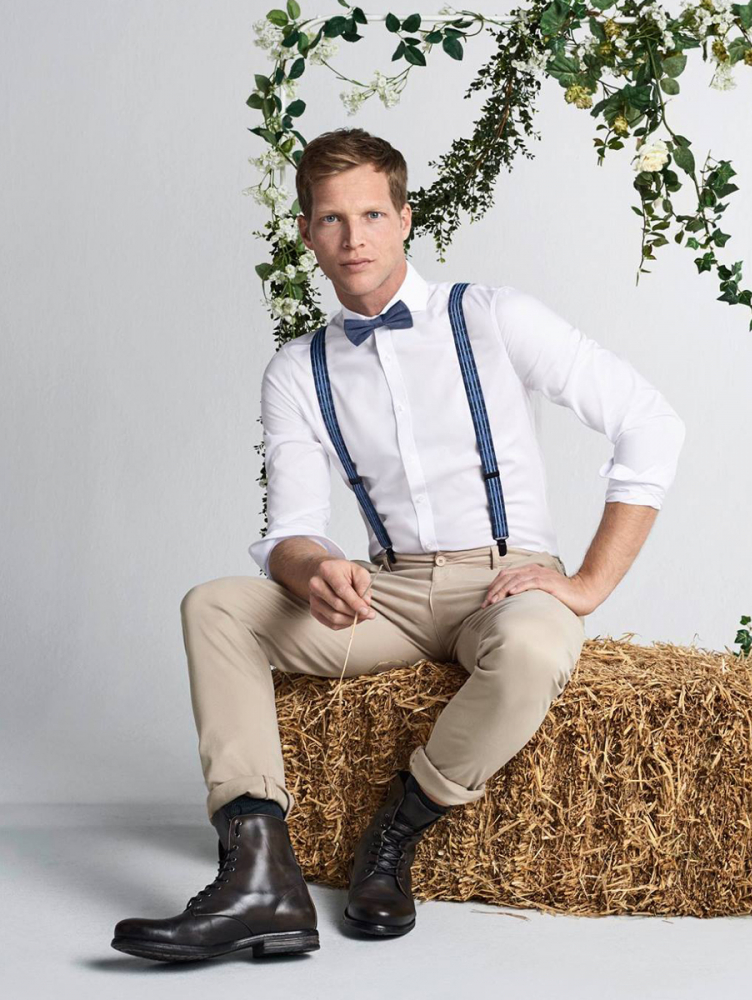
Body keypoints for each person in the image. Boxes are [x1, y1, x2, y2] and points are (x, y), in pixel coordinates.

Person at [111, 127, 686, 962]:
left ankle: (396, 831)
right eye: (332, 219)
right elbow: (291, 531)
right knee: (215, 607)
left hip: (507, 580)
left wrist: (590, 582)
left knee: (533, 651)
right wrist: (316, 567)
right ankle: (260, 874)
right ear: (307, 233)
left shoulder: (491, 316)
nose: (355, 237)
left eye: (373, 214)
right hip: (391, 593)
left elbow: (650, 422)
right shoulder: (297, 369)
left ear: (406, 218)